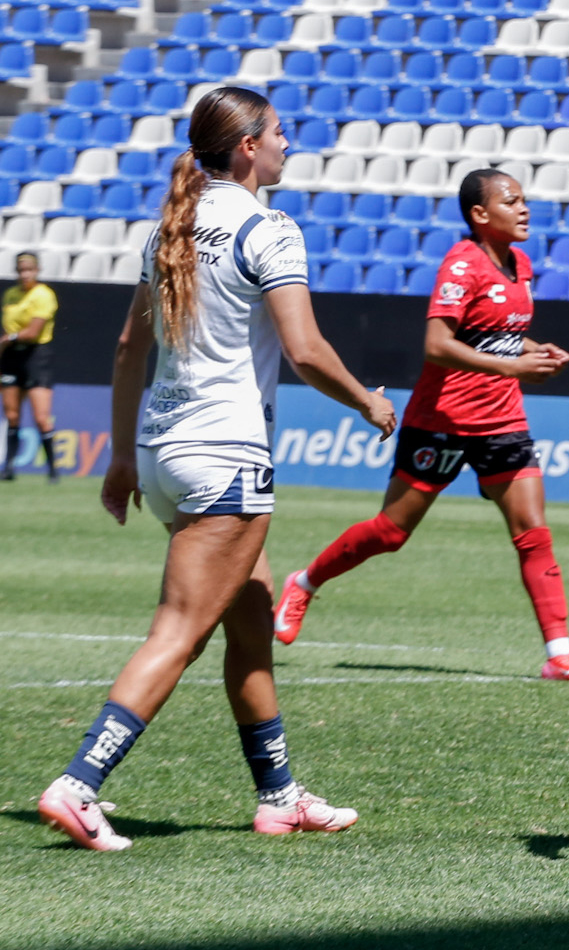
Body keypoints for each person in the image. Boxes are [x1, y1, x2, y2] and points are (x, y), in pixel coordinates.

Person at [37, 87, 397, 851]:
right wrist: (368, 401)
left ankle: (279, 795)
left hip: (167, 455)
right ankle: (79, 784)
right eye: (278, 133)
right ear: (246, 149)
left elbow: (130, 349)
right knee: (178, 632)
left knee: (252, 610)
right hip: (226, 457)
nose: (287, 143)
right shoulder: (270, 229)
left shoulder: (169, 226)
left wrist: (126, 457)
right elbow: (304, 349)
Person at [271, 170, 569, 683]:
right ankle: (305, 582)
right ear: (479, 214)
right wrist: (516, 367)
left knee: (533, 533)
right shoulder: (461, 263)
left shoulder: (521, 264)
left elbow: (499, 335)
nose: (524, 209)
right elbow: (437, 345)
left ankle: (558, 654)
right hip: (441, 419)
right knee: (390, 532)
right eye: (511, 201)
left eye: (524, 200)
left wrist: (537, 351)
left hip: (502, 421)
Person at [2, 250, 59, 482]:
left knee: (41, 417)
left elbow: (33, 331)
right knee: (12, 414)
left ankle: (53, 470)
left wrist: (9, 338)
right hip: (11, 358)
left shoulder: (44, 295)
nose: (25, 274)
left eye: (29, 270)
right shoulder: (10, 295)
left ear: (37, 271)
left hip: (37, 356)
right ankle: (9, 468)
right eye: (21, 270)